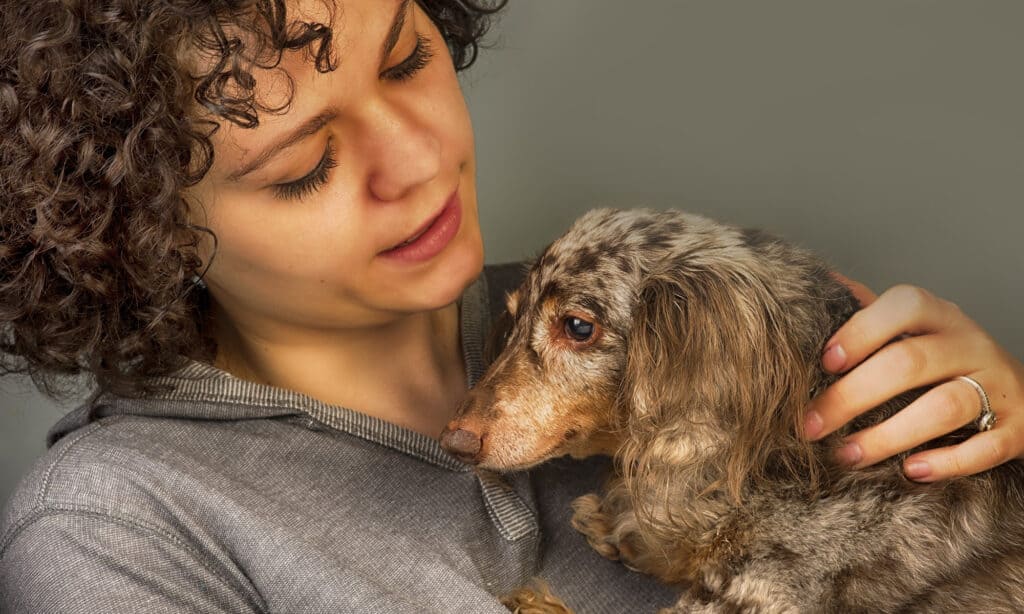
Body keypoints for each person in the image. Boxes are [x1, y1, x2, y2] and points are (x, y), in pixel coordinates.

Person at [0, 0, 1021, 612]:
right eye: (305, 166)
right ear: (141, 229)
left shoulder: (642, 316)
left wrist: (993, 463)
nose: (420, 158)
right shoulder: (113, 530)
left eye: (406, 60)